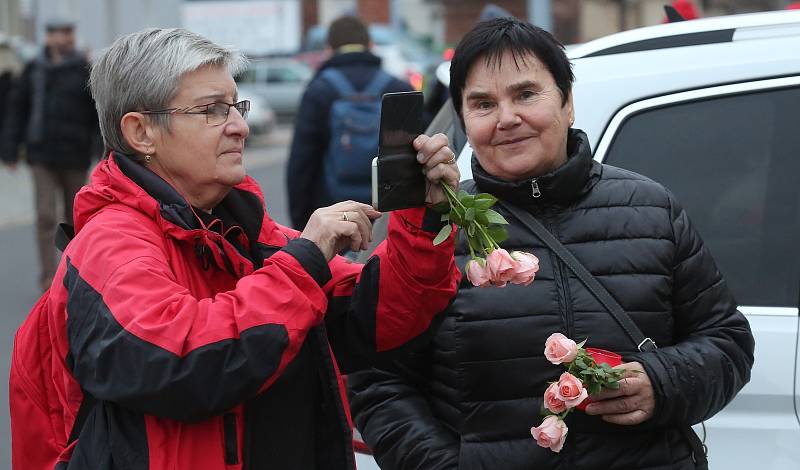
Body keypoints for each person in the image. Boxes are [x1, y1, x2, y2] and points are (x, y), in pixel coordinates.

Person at [9, 28, 460, 470]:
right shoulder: (111, 244)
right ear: (141, 132)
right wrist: (305, 261)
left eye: (236, 106)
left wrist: (425, 221)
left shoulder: (243, 231)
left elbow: (381, 319)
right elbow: (186, 363)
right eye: (213, 110)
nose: (240, 126)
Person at [348, 18, 754, 470]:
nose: (506, 119)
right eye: (483, 104)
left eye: (525, 94)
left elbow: (727, 340)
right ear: (463, 121)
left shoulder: (652, 209)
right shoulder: (432, 231)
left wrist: (661, 382)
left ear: (568, 103)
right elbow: (375, 379)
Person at [287, 15, 413, 230]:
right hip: (390, 218)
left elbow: (302, 163)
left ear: (329, 49)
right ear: (370, 46)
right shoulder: (398, 87)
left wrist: (302, 225)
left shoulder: (318, 91)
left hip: (334, 216)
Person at [0, 19, 98, 292]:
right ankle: (48, 276)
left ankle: (75, 273)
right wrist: (9, 149)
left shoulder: (82, 69)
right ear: (49, 37)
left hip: (74, 154)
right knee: (45, 216)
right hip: (40, 153)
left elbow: (96, 114)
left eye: (69, 32)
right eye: (59, 33)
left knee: (75, 216)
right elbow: (17, 109)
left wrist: (101, 149)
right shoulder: (34, 69)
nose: (65, 38)